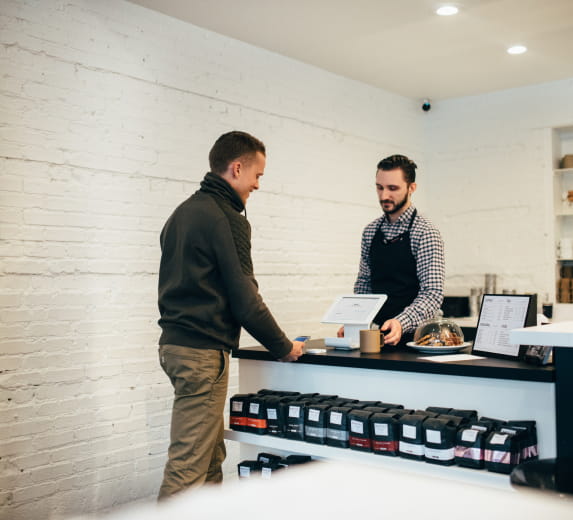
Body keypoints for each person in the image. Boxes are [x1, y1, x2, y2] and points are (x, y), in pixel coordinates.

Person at [157, 131, 304, 500]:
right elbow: (245, 299)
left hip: (175, 347)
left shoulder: (182, 214)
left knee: (209, 456)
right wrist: (283, 347)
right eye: (257, 175)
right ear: (236, 168)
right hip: (203, 354)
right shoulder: (227, 218)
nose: (257, 185)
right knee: (188, 466)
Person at [344, 154, 445, 345]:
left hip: (422, 339)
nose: (384, 196)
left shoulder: (425, 232)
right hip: (381, 336)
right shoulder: (370, 232)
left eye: (393, 188)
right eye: (379, 187)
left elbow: (432, 293)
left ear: (411, 188)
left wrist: (401, 322)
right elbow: (364, 286)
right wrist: (355, 322)